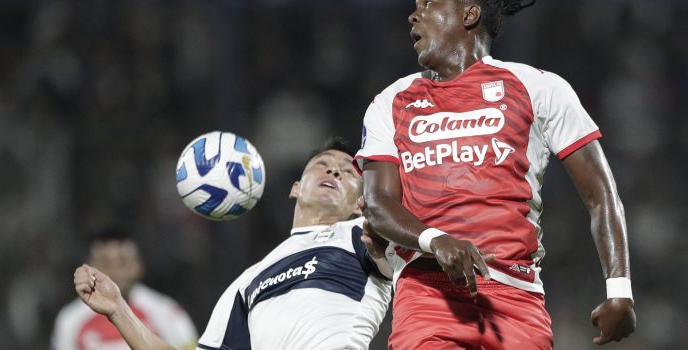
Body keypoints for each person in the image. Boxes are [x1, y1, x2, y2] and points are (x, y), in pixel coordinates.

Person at [354, 1, 636, 349]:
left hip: (517, 299)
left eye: (428, 3)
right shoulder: (391, 102)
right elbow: (377, 203)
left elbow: (601, 195)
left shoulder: (541, 88)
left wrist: (619, 290)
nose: (414, 15)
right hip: (428, 295)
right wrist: (435, 239)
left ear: (469, 14)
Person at [73, 137, 392, 350]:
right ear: (296, 188)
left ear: (358, 202)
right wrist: (118, 309)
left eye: (349, 171)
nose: (334, 168)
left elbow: (395, 257)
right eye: (323, 163)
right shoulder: (248, 281)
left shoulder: (361, 235)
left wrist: (383, 244)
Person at [53, 227, 198, 350]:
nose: (114, 273)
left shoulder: (167, 312)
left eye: (122, 263)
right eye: (105, 264)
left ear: (139, 266)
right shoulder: (70, 320)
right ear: (88, 266)